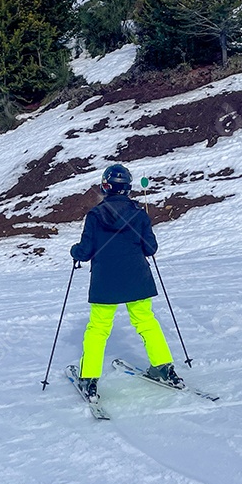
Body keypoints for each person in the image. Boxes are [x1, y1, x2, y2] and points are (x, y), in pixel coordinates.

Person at [70, 164, 182, 401]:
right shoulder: (139, 214)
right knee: (146, 322)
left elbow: (85, 251)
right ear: (128, 188)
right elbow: (150, 248)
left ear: (106, 186)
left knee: (98, 329)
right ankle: (164, 367)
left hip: (105, 281)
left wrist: (75, 251)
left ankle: (89, 378)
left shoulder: (95, 215)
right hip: (137, 278)